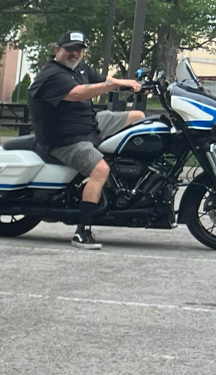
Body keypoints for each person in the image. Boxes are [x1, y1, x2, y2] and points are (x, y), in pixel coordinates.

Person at [28, 32, 145, 250]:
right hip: (66, 138)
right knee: (100, 170)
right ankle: (82, 231)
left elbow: (103, 82)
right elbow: (78, 94)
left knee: (139, 118)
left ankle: (129, 181)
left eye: (79, 49)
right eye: (69, 49)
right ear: (58, 50)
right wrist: (113, 85)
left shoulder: (80, 68)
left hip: (90, 125)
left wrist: (131, 84)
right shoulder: (51, 75)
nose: (75, 53)